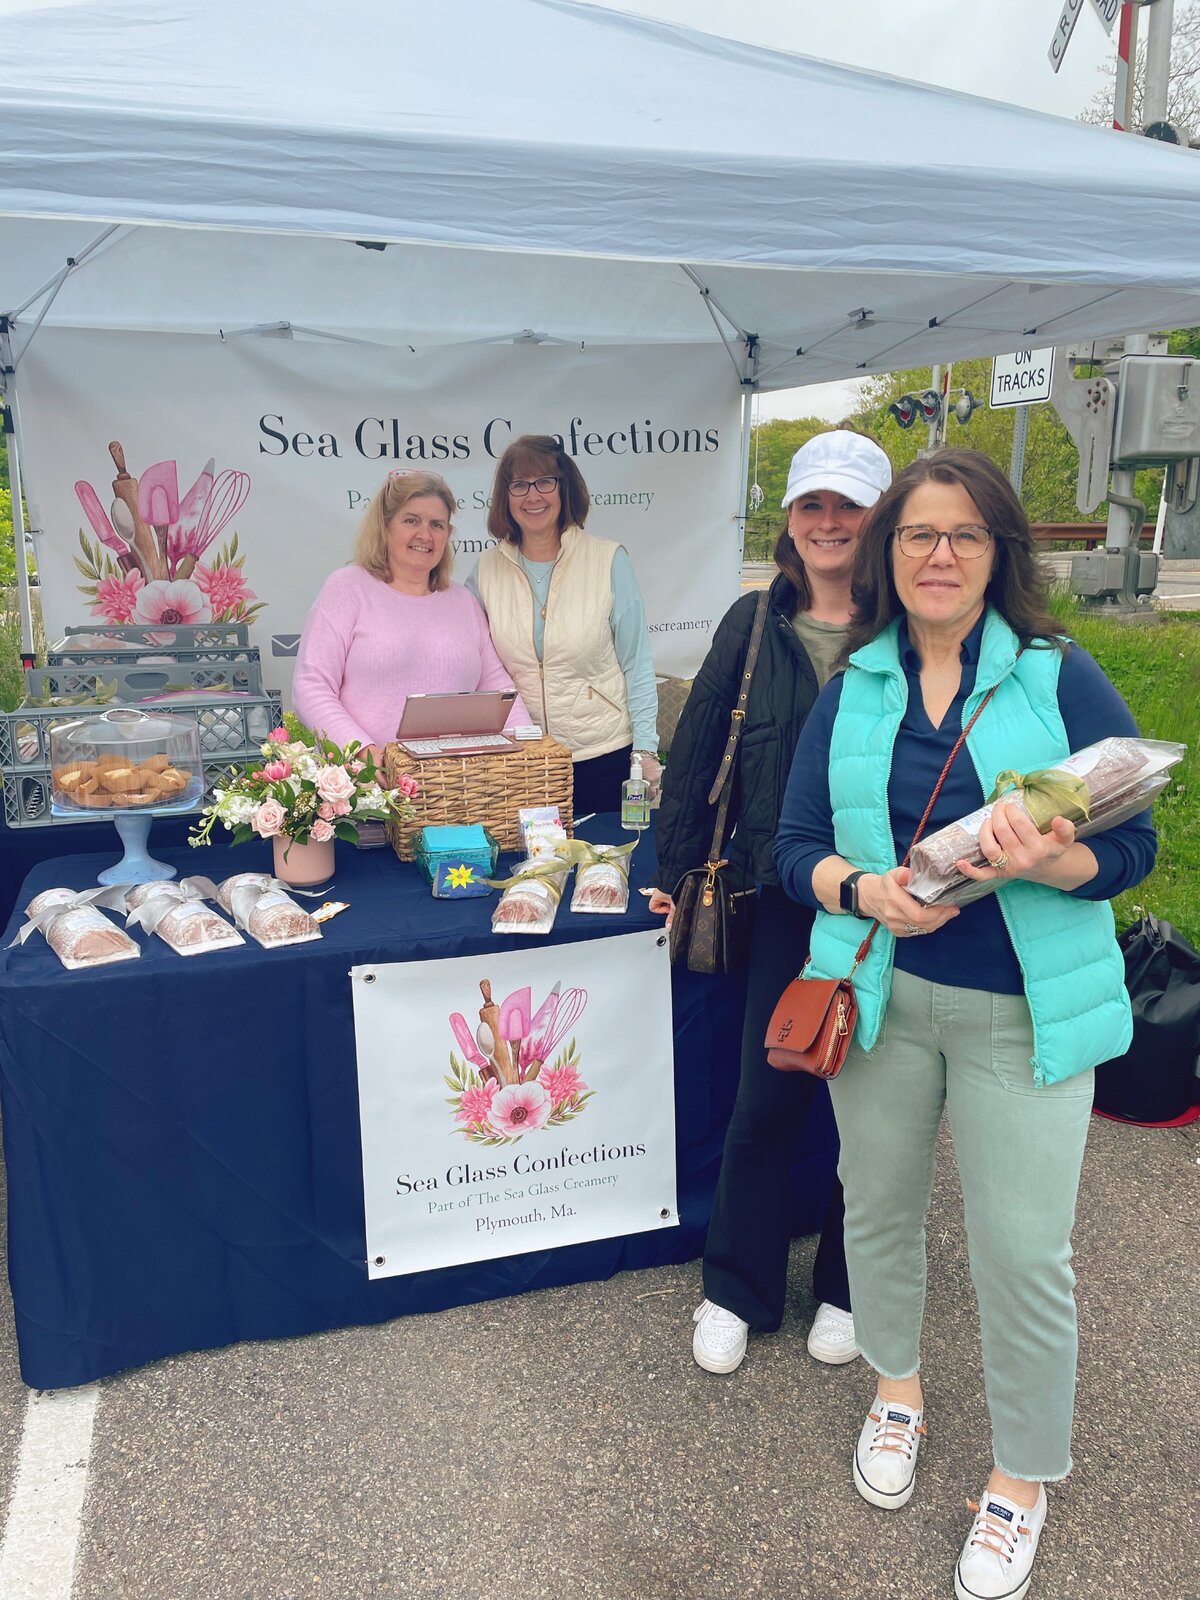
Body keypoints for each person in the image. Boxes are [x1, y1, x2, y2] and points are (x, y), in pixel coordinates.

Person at [774, 448, 1156, 1600]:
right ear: (888, 553)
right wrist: (863, 889)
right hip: (882, 1000)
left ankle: (1021, 1476)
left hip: (1021, 1013)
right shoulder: (855, 683)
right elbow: (794, 848)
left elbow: (1134, 847)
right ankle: (897, 1391)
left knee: (1024, 1253)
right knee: (878, 1210)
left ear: (999, 553)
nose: (939, 554)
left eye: (965, 534)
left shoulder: (1057, 676)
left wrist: (1054, 858)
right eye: (918, 533)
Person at [649, 430, 894, 1376]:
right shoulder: (754, 622)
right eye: (812, 506)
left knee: (877, 1115)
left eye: (849, 506)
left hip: (892, 902)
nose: (829, 523)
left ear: (879, 519)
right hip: (783, 891)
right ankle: (735, 1287)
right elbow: (697, 751)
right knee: (766, 1100)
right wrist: (675, 869)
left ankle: (849, 1287)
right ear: (790, 521)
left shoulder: (910, 624)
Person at [471, 436, 659, 815]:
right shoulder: (485, 570)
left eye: (545, 481)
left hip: (602, 754)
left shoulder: (608, 560)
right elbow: (471, 663)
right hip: (523, 762)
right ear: (506, 496)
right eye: (519, 485)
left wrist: (645, 751)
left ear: (565, 488)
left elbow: (637, 663)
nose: (533, 496)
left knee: (603, 854)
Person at [292, 470, 527, 760]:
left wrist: (527, 747)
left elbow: (498, 688)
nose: (425, 535)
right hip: (368, 780)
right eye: (411, 520)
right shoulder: (347, 588)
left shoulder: (463, 601)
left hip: (454, 781)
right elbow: (311, 686)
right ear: (385, 525)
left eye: (437, 525)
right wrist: (366, 754)